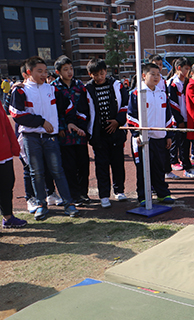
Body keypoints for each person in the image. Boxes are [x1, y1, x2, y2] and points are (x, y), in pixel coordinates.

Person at [10, 56, 79, 220]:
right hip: (30, 138)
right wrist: (41, 122)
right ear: (28, 72)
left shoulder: (52, 89)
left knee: (57, 171)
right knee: (37, 172)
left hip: (50, 138)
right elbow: (16, 114)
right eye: (39, 71)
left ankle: (69, 204)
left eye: (45, 71)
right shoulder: (20, 90)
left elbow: (68, 106)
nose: (43, 74)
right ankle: (41, 204)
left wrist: (69, 122)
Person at [128, 63, 175, 205]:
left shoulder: (162, 94)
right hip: (144, 139)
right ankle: (143, 196)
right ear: (144, 75)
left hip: (160, 138)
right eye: (152, 74)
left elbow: (168, 115)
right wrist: (136, 134)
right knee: (143, 168)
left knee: (159, 167)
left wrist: (168, 136)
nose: (156, 77)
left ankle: (162, 193)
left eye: (158, 74)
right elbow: (131, 116)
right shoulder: (137, 93)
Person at [86, 58, 129, 208]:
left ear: (106, 71)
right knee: (101, 166)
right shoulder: (87, 89)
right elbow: (85, 111)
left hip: (116, 132)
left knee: (118, 163)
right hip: (98, 135)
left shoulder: (117, 85)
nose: (100, 77)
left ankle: (119, 190)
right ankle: (104, 195)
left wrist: (118, 121)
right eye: (96, 74)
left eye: (102, 73)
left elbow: (125, 105)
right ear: (90, 74)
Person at [51, 55, 90, 206]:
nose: (69, 72)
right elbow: (53, 110)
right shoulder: (53, 87)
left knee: (83, 164)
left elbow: (85, 108)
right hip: (65, 135)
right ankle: (73, 195)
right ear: (57, 71)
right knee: (69, 166)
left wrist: (82, 126)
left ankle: (83, 193)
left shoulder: (79, 86)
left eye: (71, 68)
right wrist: (61, 127)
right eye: (65, 69)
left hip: (80, 133)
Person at [167, 57, 194, 179]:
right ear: (178, 68)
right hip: (177, 120)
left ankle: (187, 166)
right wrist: (179, 120)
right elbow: (172, 104)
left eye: (189, 69)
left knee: (186, 144)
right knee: (179, 144)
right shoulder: (172, 83)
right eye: (186, 69)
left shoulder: (187, 82)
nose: (188, 71)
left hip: (187, 118)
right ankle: (184, 167)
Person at [1, 100, 26, 228]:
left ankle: (8, 217)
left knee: (7, 184)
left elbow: (5, 124)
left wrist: (14, 145)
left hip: (4, 152)